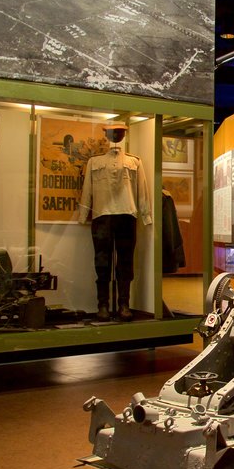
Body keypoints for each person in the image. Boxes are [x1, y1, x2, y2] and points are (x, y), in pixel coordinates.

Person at [78, 122, 152, 321]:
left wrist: (145, 215)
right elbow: (87, 189)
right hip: (101, 216)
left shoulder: (135, 162)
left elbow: (142, 189)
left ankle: (123, 304)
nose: (116, 134)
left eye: (120, 131)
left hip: (127, 215)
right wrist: (83, 213)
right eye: (113, 131)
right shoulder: (94, 162)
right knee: (102, 263)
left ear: (125, 133)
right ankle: (102, 304)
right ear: (106, 134)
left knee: (125, 263)